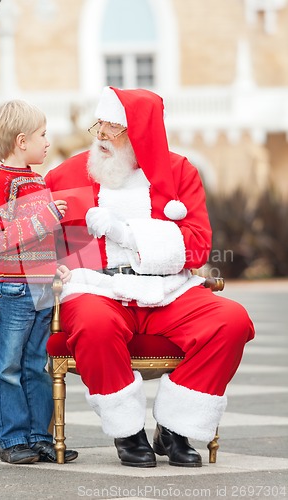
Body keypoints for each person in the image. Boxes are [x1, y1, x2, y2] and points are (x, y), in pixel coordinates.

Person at [44, 87, 255, 468]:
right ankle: (127, 430)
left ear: (139, 133)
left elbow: (197, 247)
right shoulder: (67, 173)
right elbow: (37, 238)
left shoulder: (179, 172)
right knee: (92, 324)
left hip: (167, 291)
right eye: (99, 126)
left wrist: (130, 235)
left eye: (112, 128)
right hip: (99, 288)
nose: (100, 135)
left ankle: (175, 426)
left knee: (232, 321)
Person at [0, 100, 78, 465]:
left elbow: (40, 239)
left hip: (41, 285)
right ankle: (13, 439)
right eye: (42, 135)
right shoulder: (4, 183)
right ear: (20, 141)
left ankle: (39, 436)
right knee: (8, 367)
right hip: (12, 289)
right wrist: (46, 215)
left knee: (37, 365)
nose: (48, 141)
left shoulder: (34, 178)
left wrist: (57, 263)